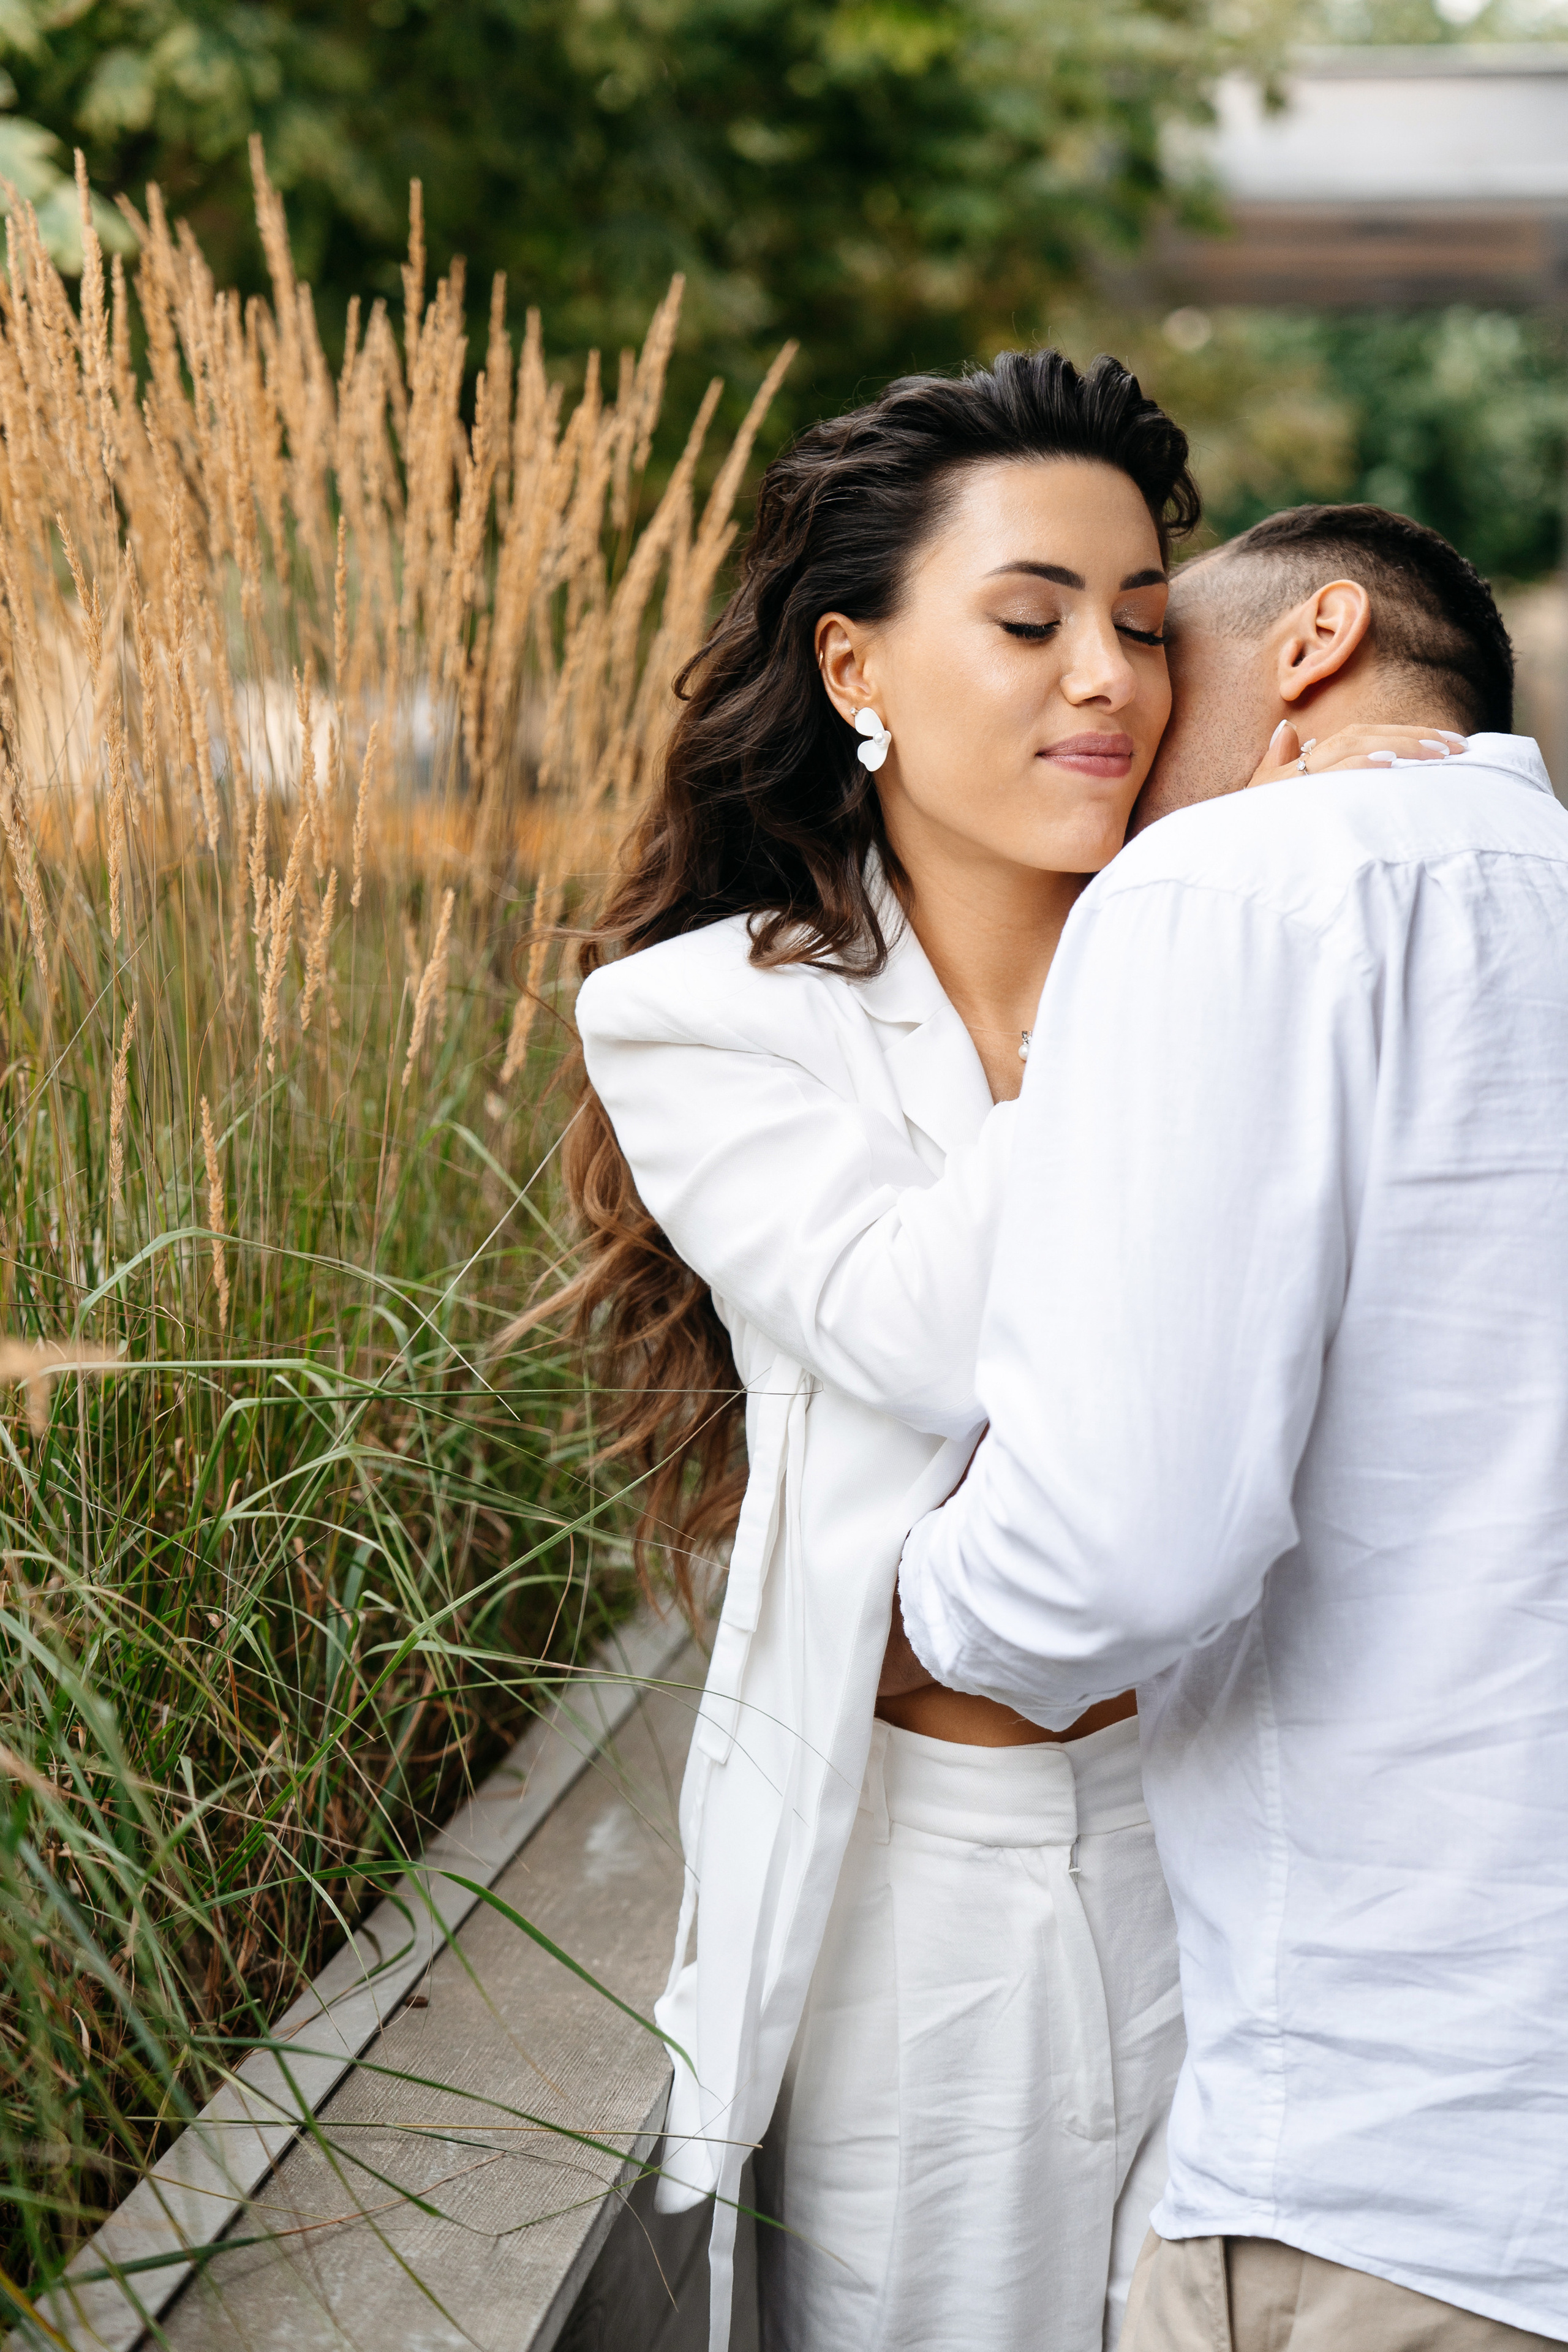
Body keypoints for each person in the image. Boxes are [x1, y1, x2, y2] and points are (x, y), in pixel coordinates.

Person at [547, 362, 1446, 2352]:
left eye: (1143, 621)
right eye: (1031, 621)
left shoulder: (1267, 940)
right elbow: (916, 1329)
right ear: (856, 662)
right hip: (946, 1903)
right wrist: (1171, 980)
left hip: (1281, 1859)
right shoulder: (703, 1019)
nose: (1110, 681)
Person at [893, 504, 1568, 2351]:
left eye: (1158, 649)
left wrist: (895, 1607)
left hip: (1387, 2176)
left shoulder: (1233, 884)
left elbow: (1121, 1547)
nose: (1111, 714)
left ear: (1313, 642)